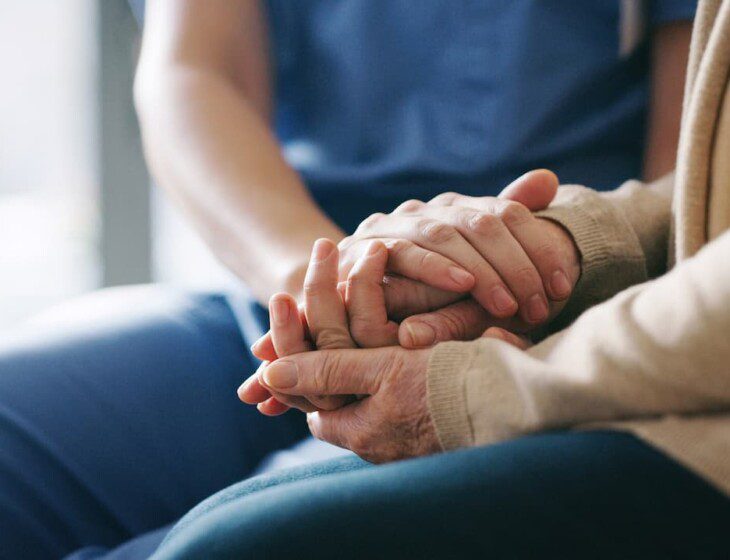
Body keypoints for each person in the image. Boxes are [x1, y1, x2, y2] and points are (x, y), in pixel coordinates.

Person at [0, 1, 697, 558]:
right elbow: (192, 73)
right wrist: (322, 284)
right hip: (279, 290)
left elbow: (689, 182)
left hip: (540, 323)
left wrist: (514, 284)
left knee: (222, 541)